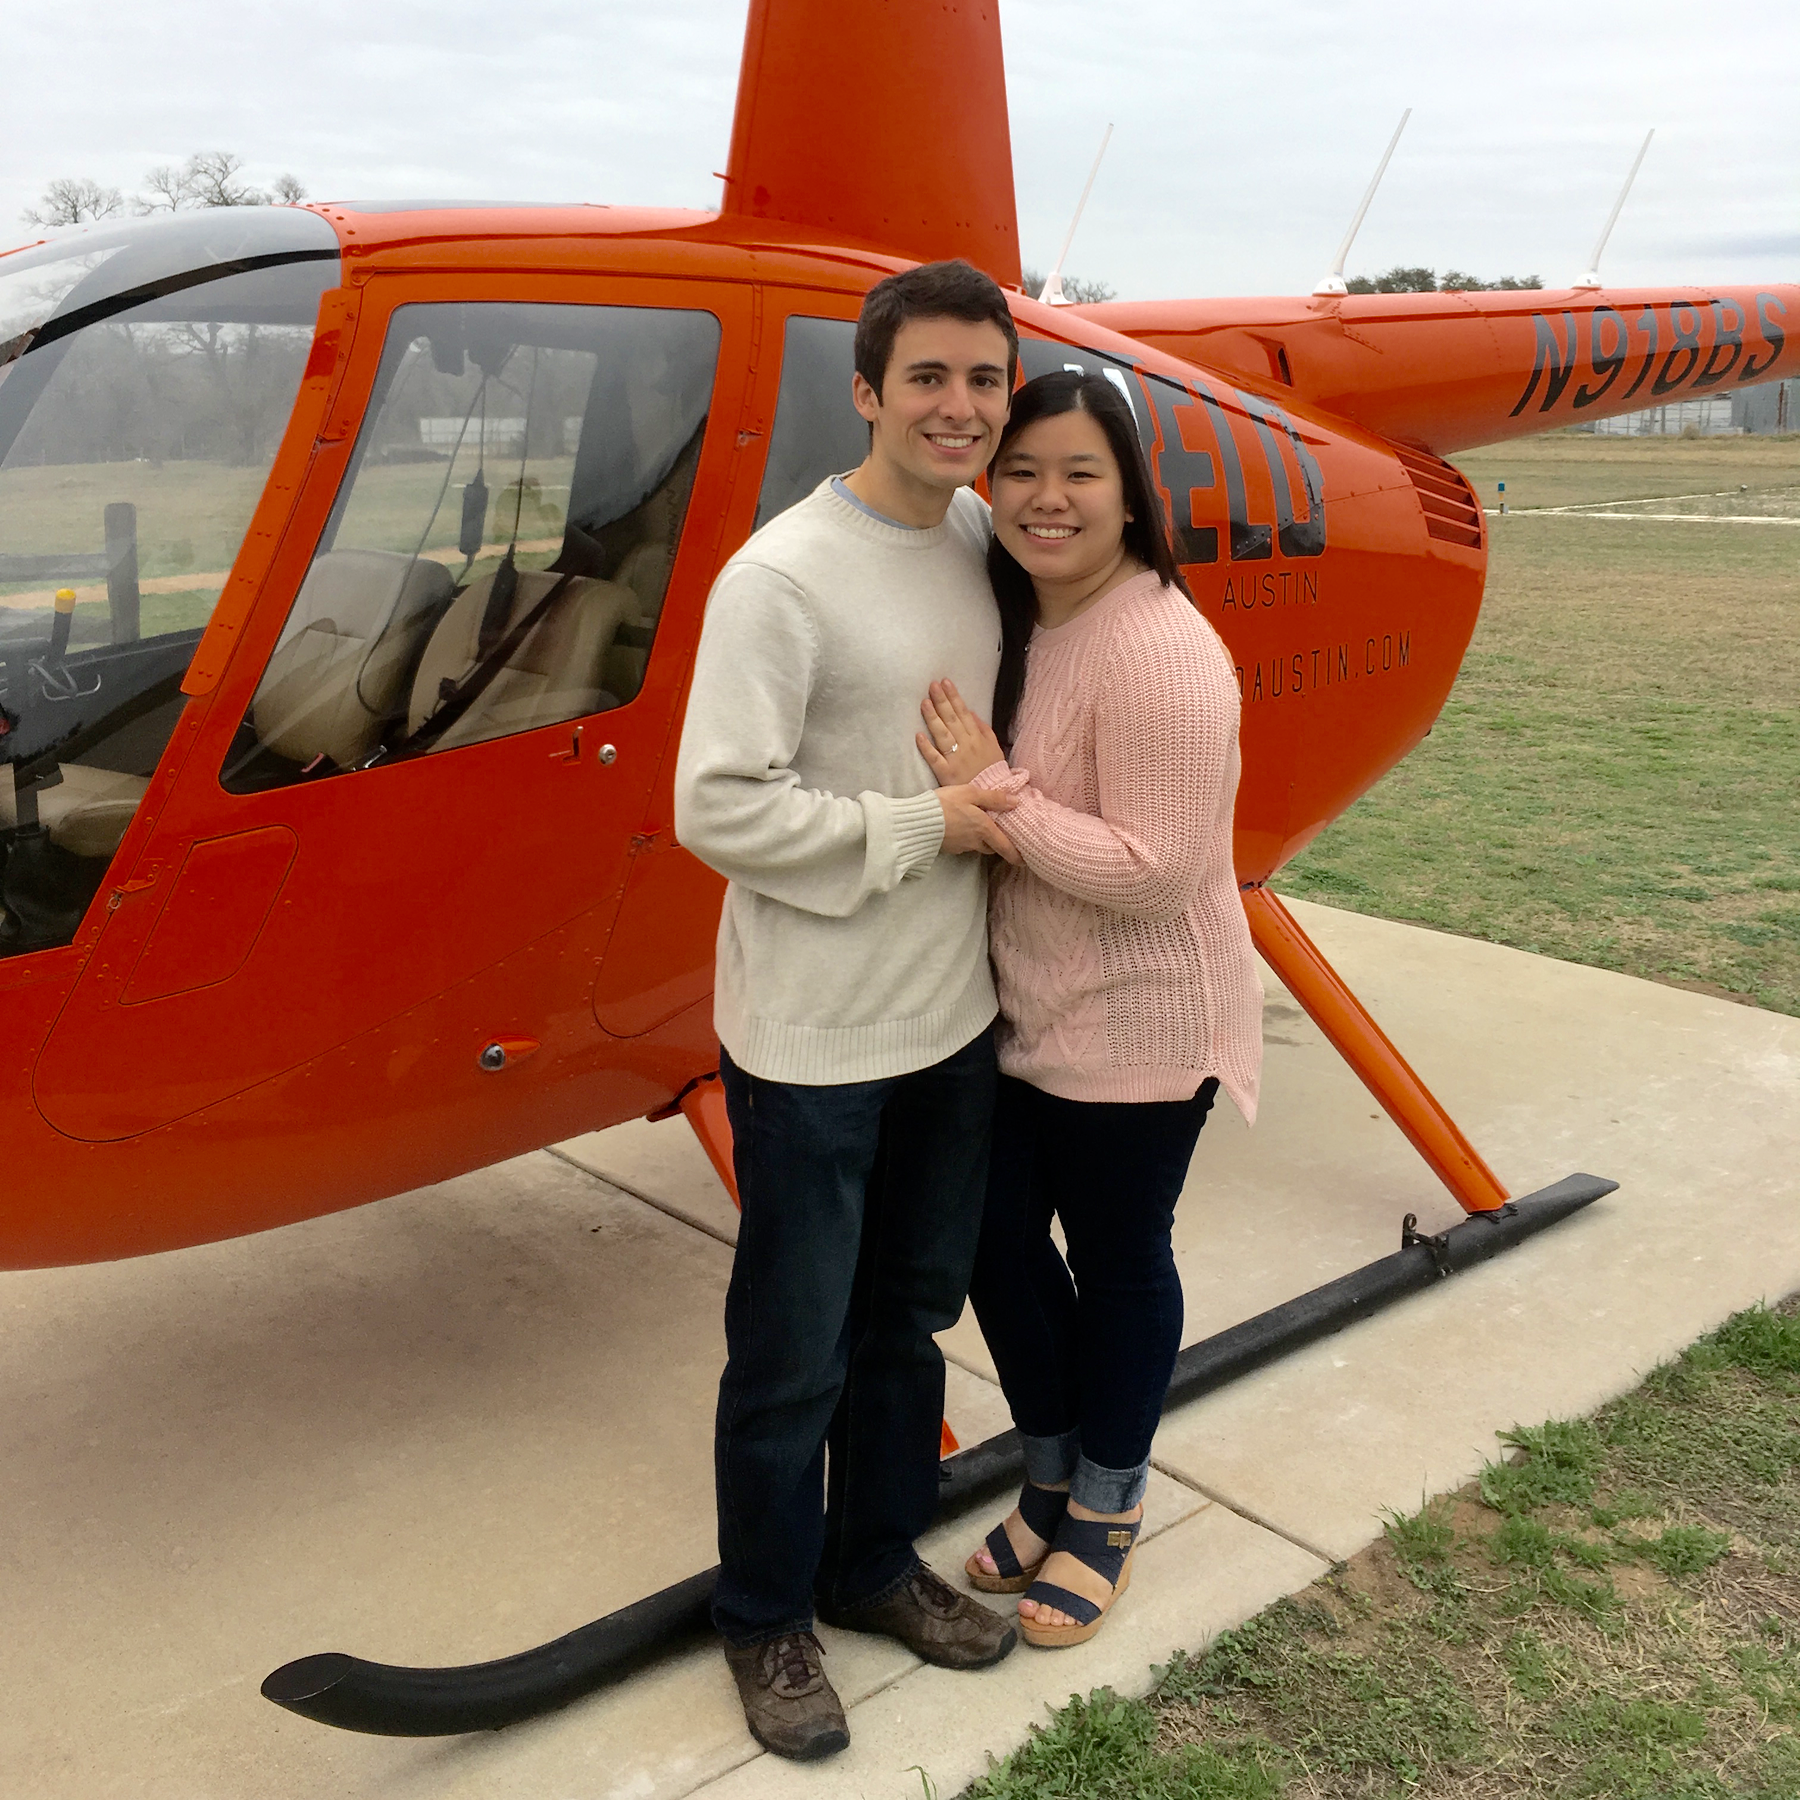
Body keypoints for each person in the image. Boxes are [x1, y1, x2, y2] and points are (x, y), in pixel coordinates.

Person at [673, 260, 1027, 1762]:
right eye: (930, 379)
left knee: (906, 1323)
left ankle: (876, 1562)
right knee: (793, 1350)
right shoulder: (783, 576)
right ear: (868, 391)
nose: (960, 408)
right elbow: (716, 806)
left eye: (985, 381)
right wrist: (920, 826)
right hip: (814, 1040)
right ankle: (765, 1616)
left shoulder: (976, 541)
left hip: (952, 1024)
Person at [914, 370, 1264, 1650]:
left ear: (1129, 496)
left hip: (1145, 1016)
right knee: (996, 1247)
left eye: (1079, 473)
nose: (1046, 498)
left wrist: (995, 795)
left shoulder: (1162, 649)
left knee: (1117, 1264)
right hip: (1025, 1007)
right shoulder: (1022, 617)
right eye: (1020, 471)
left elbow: (1155, 869)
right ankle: (1051, 1466)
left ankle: (1107, 1505)